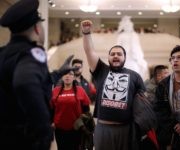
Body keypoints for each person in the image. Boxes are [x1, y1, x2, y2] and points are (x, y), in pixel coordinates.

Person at [0, 0, 76, 149]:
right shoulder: (31, 54)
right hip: (23, 141)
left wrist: (59, 73)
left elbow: (32, 82)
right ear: (36, 28)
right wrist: (44, 131)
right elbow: (25, 82)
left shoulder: (3, 53)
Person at [80, 20, 147, 150]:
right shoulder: (101, 71)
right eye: (112, 54)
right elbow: (90, 52)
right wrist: (86, 33)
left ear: (124, 57)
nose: (116, 56)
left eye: (119, 54)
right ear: (108, 57)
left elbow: (142, 103)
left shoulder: (135, 76)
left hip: (126, 129)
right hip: (103, 128)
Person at [51, 70, 94, 150]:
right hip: (60, 130)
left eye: (70, 74)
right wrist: (51, 122)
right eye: (65, 74)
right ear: (62, 77)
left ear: (74, 77)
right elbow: (51, 109)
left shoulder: (80, 90)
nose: (67, 76)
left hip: (76, 129)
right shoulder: (55, 91)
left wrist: (85, 126)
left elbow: (86, 110)